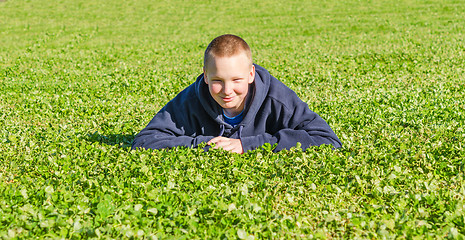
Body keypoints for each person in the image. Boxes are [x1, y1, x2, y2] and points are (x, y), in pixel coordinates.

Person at [132, 34, 342, 153]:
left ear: (251, 74)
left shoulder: (277, 98)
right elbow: (145, 140)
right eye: (217, 81)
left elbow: (327, 139)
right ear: (205, 76)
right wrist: (206, 145)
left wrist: (247, 145)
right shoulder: (191, 100)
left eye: (236, 80)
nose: (227, 91)